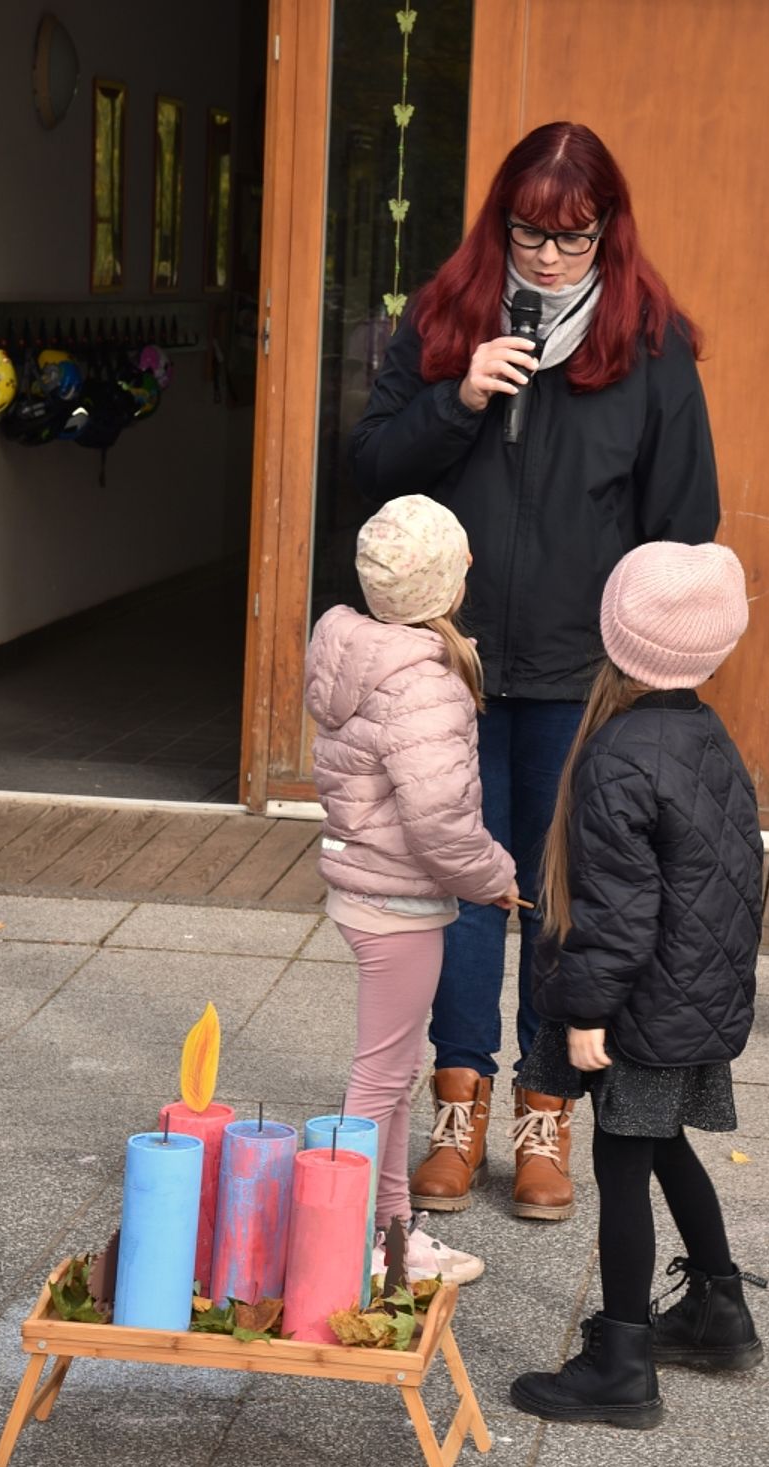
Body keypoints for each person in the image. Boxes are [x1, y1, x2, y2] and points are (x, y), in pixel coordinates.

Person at [351, 121, 720, 1221]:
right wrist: (457, 399)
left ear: (608, 230)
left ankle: (545, 1109)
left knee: (562, 902)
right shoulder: (443, 318)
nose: (549, 261)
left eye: (573, 238)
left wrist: (645, 676)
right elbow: (369, 469)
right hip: (450, 668)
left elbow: (683, 525)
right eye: (529, 236)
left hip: (580, 676)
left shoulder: (652, 344)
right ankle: (456, 1109)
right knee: (464, 889)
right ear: (498, 223)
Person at [509, 541, 765, 1430]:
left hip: (637, 1006)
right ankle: (718, 1313)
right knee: (661, 1148)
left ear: (615, 635)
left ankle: (621, 1363)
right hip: (690, 994)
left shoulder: (619, 752)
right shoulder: (705, 737)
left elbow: (618, 913)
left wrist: (582, 1015)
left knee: (623, 1165)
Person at [304, 493, 519, 1286]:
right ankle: (343, 1239)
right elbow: (440, 821)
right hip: (398, 901)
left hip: (367, 887)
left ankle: (394, 1233)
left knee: (392, 1076)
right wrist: (496, 877)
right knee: (381, 1077)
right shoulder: (426, 685)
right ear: (450, 584)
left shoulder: (355, 656)